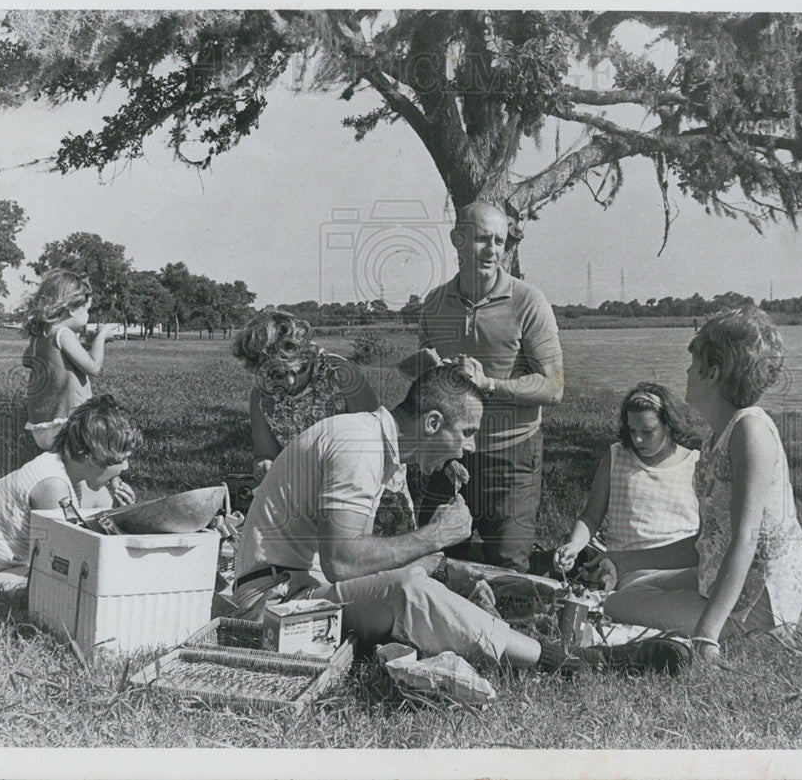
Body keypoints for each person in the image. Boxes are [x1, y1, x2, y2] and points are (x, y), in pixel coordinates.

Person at [219, 365, 691, 675]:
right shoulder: (358, 445)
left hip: (298, 587)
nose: (468, 447)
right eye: (464, 432)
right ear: (431, 423)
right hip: (272, 605)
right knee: (409, 589)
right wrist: (433, 537)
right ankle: (567, 663)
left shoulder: (374, 444)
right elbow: (344, 562)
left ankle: (523, 627)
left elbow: (366, 553)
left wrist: (443, 561)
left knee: (429, 574)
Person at [603, 307, 802, 663]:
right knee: (631, 583)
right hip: (727, 577)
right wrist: (622, 560)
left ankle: (743, 631)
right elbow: (710, 539)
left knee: (618, 603)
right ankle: (708, 617)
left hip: (760, 599)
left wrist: (707, 635)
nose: (686, 370)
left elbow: (746, 537)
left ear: (712, 372)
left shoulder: (750, 430)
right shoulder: (718, 436)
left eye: (693, 361)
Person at [400, 202, 564, 571]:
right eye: (481, 239)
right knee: (431, 559)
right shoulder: (435, 303)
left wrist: (487, 384)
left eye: (500, 241)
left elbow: (553, 388)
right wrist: (429, 372)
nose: (492, 250)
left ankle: (509, 628)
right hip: (448, 453)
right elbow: (427, 381)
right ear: (457, 240)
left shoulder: (528, 302)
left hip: (511, 453)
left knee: (507, 566)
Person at [0, 395, 141, 593]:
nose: (125, 467)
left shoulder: (70, 471)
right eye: (122, 460)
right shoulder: (51, 486)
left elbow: (98, 523)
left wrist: (122, 514)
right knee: (73, 586)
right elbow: (67, 557)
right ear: (93, 457)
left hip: (14, 566)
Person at [554, 383, 701, 589]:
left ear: (669, 425)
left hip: (676, 568)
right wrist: (575, 544)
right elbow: (590, 516)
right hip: (626, 571)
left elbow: (703, 537)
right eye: (632, 430)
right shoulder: (617, 457)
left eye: (647, 431)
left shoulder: (696, 464)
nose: (638, 439)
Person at [233, 309, 379, 482]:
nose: (288, 382)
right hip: (302, 485)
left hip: (358, 476)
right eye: (273, 374)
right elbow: (265, 454)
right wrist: (264, 463)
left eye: (298, 370)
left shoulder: (341, 373)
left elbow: (376, 437)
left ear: (304, 354)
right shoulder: (261, 395)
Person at [22, 269, 117, 451]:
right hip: (69, 422)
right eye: (87, 311)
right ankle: (110, 479)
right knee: (108, 440)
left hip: (42, 424)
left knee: (67, 466)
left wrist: (81, 347)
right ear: (72, 309)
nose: (88, 316)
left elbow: (28, 360)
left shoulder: (40, 334)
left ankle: (79, 481)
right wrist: (101, 337)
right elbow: (94, 368)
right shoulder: (63, 333)